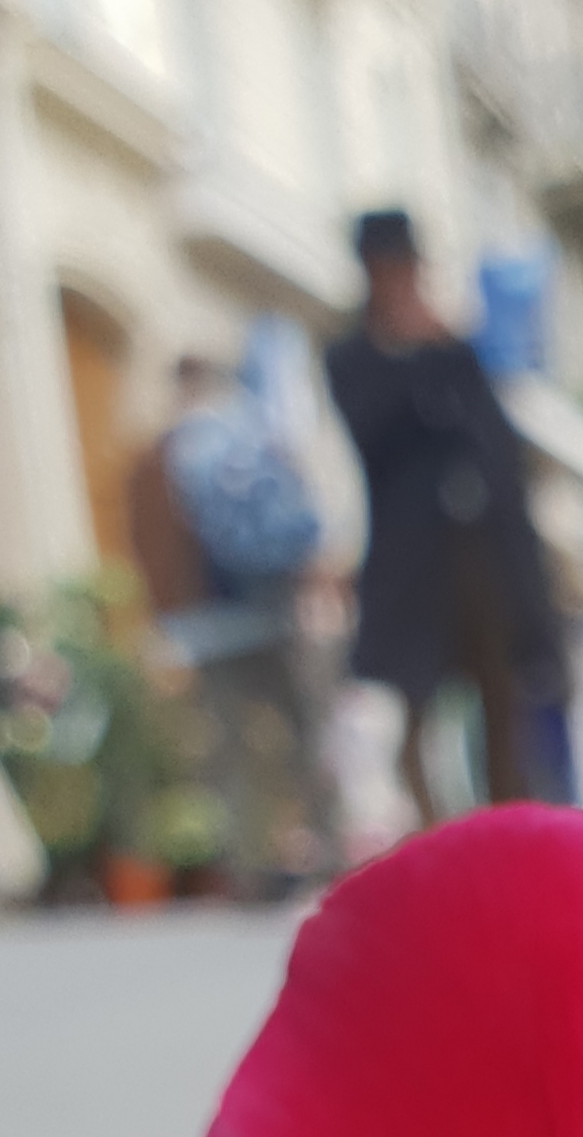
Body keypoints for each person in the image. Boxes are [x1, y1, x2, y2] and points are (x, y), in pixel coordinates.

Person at [324, 210, 567, 822]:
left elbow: (494, 446)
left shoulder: (456, 354)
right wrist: (411, 355)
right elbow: (375, 436)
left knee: (501, 693)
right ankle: (431, 829)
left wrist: (440, 352)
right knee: (416, 700)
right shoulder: (353, 356)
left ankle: (510, 824)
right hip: (410, 563)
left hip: (481, 550)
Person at [126, 352, 331, 896]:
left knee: (230, 747)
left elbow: (149, 546)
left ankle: (248, 866)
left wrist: (166, 621)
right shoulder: (255, 434)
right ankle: (329, 846)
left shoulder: (162, 455)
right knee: (303, 733)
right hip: (271, 610)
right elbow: (301, 511)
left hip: (207, 626)